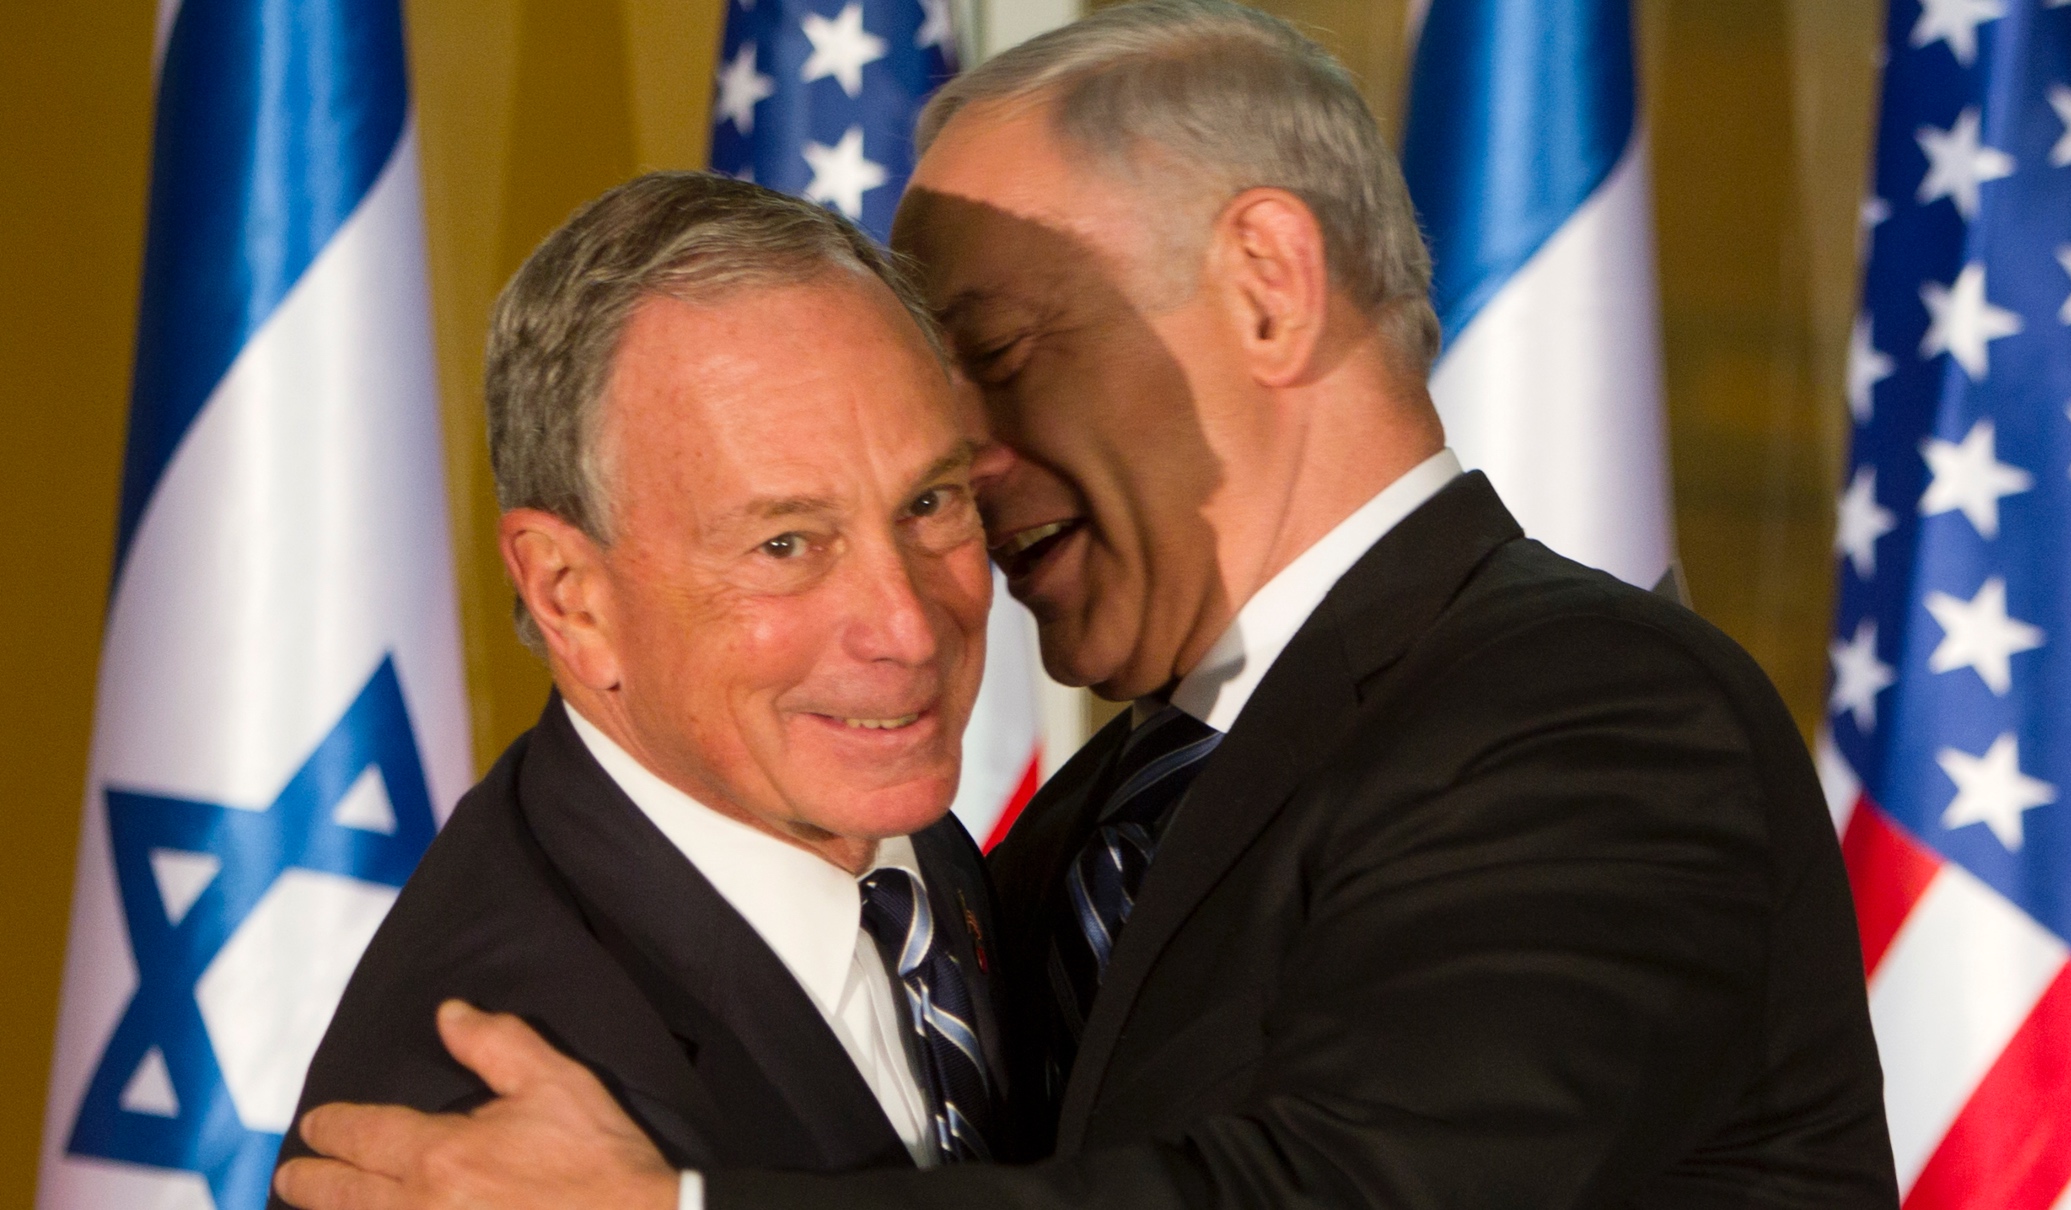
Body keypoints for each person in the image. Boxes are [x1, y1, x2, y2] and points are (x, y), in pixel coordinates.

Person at [277, 3, 1899, 1206]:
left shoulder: (1598, 725)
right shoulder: (1048, 844)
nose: (963, 460)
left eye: (996, 347)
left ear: (1267, 286)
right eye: (787, 536)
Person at [268, 174, 1017, 1210]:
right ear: (572, 598)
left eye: (929, 502)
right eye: (786, 544)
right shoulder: (484, 1123)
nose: (908, 624)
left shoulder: (888, 847)